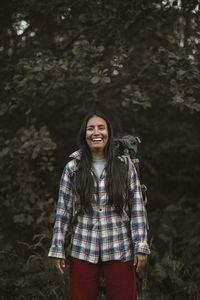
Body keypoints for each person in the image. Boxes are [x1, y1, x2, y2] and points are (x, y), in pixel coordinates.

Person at [48, 112, 150, 300]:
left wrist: (141, 246)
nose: (96, 132)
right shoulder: (73, 168)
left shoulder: (125, 165)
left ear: (109, 133)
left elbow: (137, 208)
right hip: (82, 246)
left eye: (101, 128)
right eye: (91, 128)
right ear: (84, 134)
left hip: (120, 246)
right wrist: (57, 247)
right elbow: (63, 211)